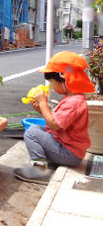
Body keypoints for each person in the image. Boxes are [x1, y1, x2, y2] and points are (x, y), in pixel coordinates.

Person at [14, 51, 95, 185]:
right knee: (38, 128)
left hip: (69, 154)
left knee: (32, 133)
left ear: (64, 78)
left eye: (52, 83)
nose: (52, 87)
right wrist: (41, 109)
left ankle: (39, 169)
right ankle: (44, 161)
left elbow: (54, 124)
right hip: (68, 149)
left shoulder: (74, 102)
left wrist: (43, 103)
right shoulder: (73, 99)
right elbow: (57, 121)